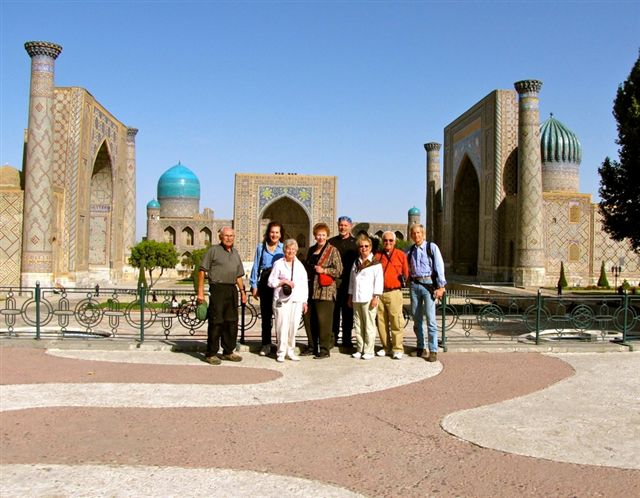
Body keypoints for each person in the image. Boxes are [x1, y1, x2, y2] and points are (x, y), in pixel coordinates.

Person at [197, 226, 247, 365]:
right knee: (216, 321)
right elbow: (202, 271)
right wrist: (200, 292)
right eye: (226, 235)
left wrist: (242, 291)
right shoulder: (213, 251)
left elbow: (238, 275)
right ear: (220, 237)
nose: (229, 238)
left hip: (231, 289)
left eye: (231, 236)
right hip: (217, 288)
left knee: (231, 322)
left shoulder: (235, 253)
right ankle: (211, 353)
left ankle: (228, 351)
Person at [406, 224, 446, 362]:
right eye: (414, 233)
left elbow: (439, 266)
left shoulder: (431, 247)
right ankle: (421, 348)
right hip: (415, 285)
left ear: (423, 234)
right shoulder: (410, 250)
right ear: (411, 235)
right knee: (416, 319)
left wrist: (441, 287)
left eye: (418, 233)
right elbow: (403, 267)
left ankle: (433, 350)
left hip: (429, 285)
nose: (416, 235)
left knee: (430, 319)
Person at [302, 222, 343, 358]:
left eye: (323, 235)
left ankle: (324, 349)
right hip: (311, 290)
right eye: (318, 235)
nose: (320, 237)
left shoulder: (332, 250)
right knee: (309, 319)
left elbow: (339, 270)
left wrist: (324, 270)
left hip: (325, 290)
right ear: (315, 236)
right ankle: (312, 346)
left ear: (327, 236)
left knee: (323, 320)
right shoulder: (311, 250)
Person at [268, 239, 308, 362]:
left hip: (296, 300)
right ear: (284, 249)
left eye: (293, 249)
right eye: (288, 248)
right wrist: (283, 282)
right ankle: (281, 352)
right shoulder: (279, 264)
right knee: (282, 326)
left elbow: (304, 284)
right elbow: (270, 282)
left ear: (296, 251)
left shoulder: (300, 265)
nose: (290, 251)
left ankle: (290, 351)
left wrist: (304, 301)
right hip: (282, 300)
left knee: (293, 326)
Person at [249, 221, 285, 356]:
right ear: (268, 233)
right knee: (266, 316)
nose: (274, 235)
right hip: (265, 281)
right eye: (272, 232)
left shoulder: (283, 248)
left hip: (279, 283)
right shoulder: (261, 247)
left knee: (280, 315)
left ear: (280, 234)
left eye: (277, 232)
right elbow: (256, 266)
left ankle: (281, 345)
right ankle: (266, 344)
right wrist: (254, 285)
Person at [374, 231, 410, 359]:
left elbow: (406, 273)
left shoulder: (401, 255)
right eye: (385, 240)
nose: (388, 243)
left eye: (390, 240)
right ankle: (386, 347)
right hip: (380, 293)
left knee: (396, 321)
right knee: (381, 321)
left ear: (395, 242)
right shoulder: (378, 256)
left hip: (394, 292)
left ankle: (397, 348)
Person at [348, 234, 383, 360]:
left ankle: (369, 350)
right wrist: (350, 296)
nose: (364, 248)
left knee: (369, 325)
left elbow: (378, 282)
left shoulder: (375, 264)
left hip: (369, 298)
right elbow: (352, 281)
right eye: (361, 246)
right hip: (357, 298)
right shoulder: (356, 262)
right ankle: (360, 349)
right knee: (358, 325)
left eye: (366, 246)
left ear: (371, 247)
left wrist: (376, 297)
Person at [328, 216, 358, 350]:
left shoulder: (355, 243)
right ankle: (333, 338)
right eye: (341, 225)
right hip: (333, 283)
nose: (343, 227)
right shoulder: (331, 242)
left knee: (348, 312)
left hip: (349, 282)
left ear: (350, 226)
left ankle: (347, 339)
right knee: (334, 312)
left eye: (345, 225)